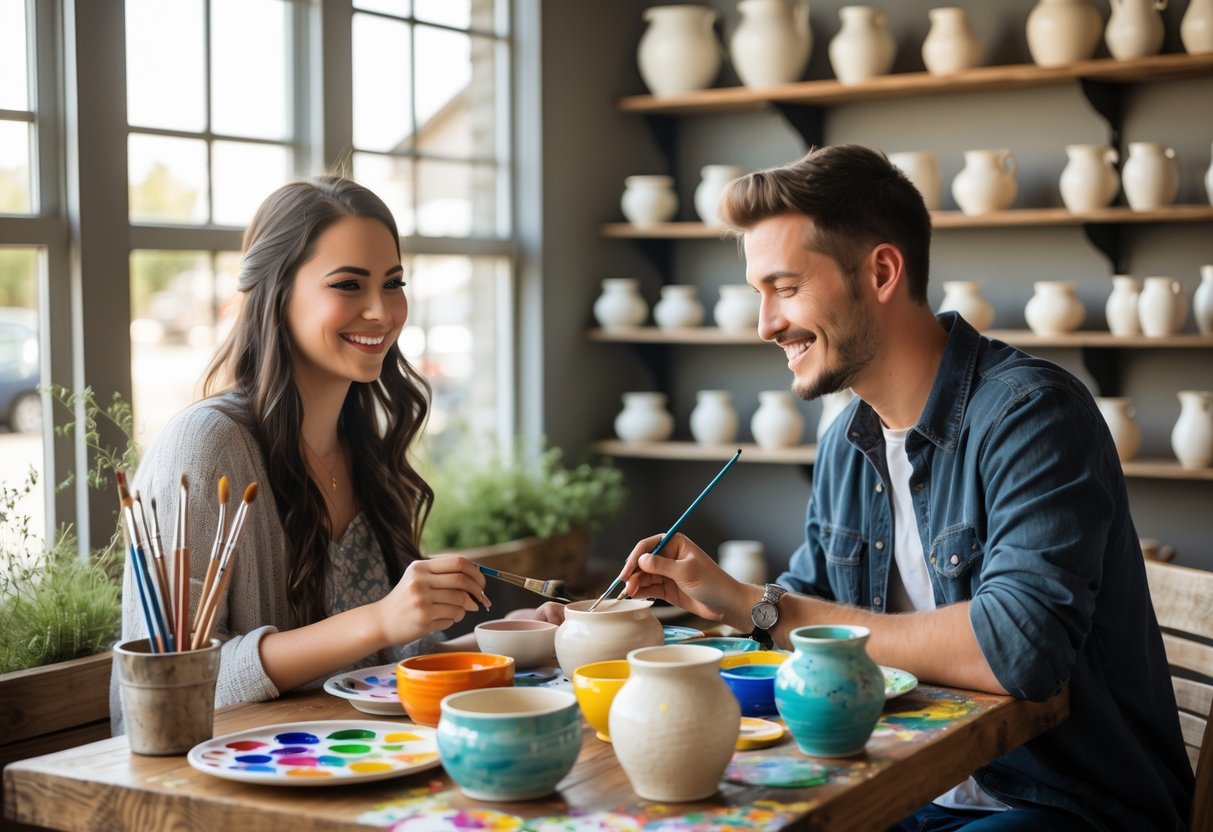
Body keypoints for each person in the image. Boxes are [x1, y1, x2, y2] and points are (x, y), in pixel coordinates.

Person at [620, 145, 1194, 830]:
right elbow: (807, 611)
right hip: (903, 785)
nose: (765, 323)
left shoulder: (1032, 416)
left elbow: (1017, 652)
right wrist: (668, 617)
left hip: (1061, 803)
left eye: (785, 287)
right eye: (758, 293)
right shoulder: (846, 441)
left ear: (882, 272)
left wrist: (761, 608)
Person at [114, 176, 561, 729]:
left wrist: (511, 643)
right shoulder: (206, 446)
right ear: (277, 295)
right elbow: (168, 681)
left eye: (393, 283)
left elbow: (382, 668)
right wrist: (380, 619)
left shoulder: (366, 444)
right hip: (245, 785)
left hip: (369, 766)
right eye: (348, 284)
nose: (381, 310)